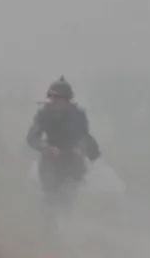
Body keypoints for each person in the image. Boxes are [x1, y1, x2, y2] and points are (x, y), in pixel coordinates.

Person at [26, 76, 100, 234]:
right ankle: (49, 228)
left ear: (68, 100)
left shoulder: (78, 115)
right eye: (55, 99)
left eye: (61, 99)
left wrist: (80, 149)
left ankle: (65, 229)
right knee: (50, 195)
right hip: (51, 160)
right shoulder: (44, 114)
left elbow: (84, 137)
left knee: (68, 196)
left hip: (72, 160)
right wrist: (47, 148)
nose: (57, 102)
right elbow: (32, 138)